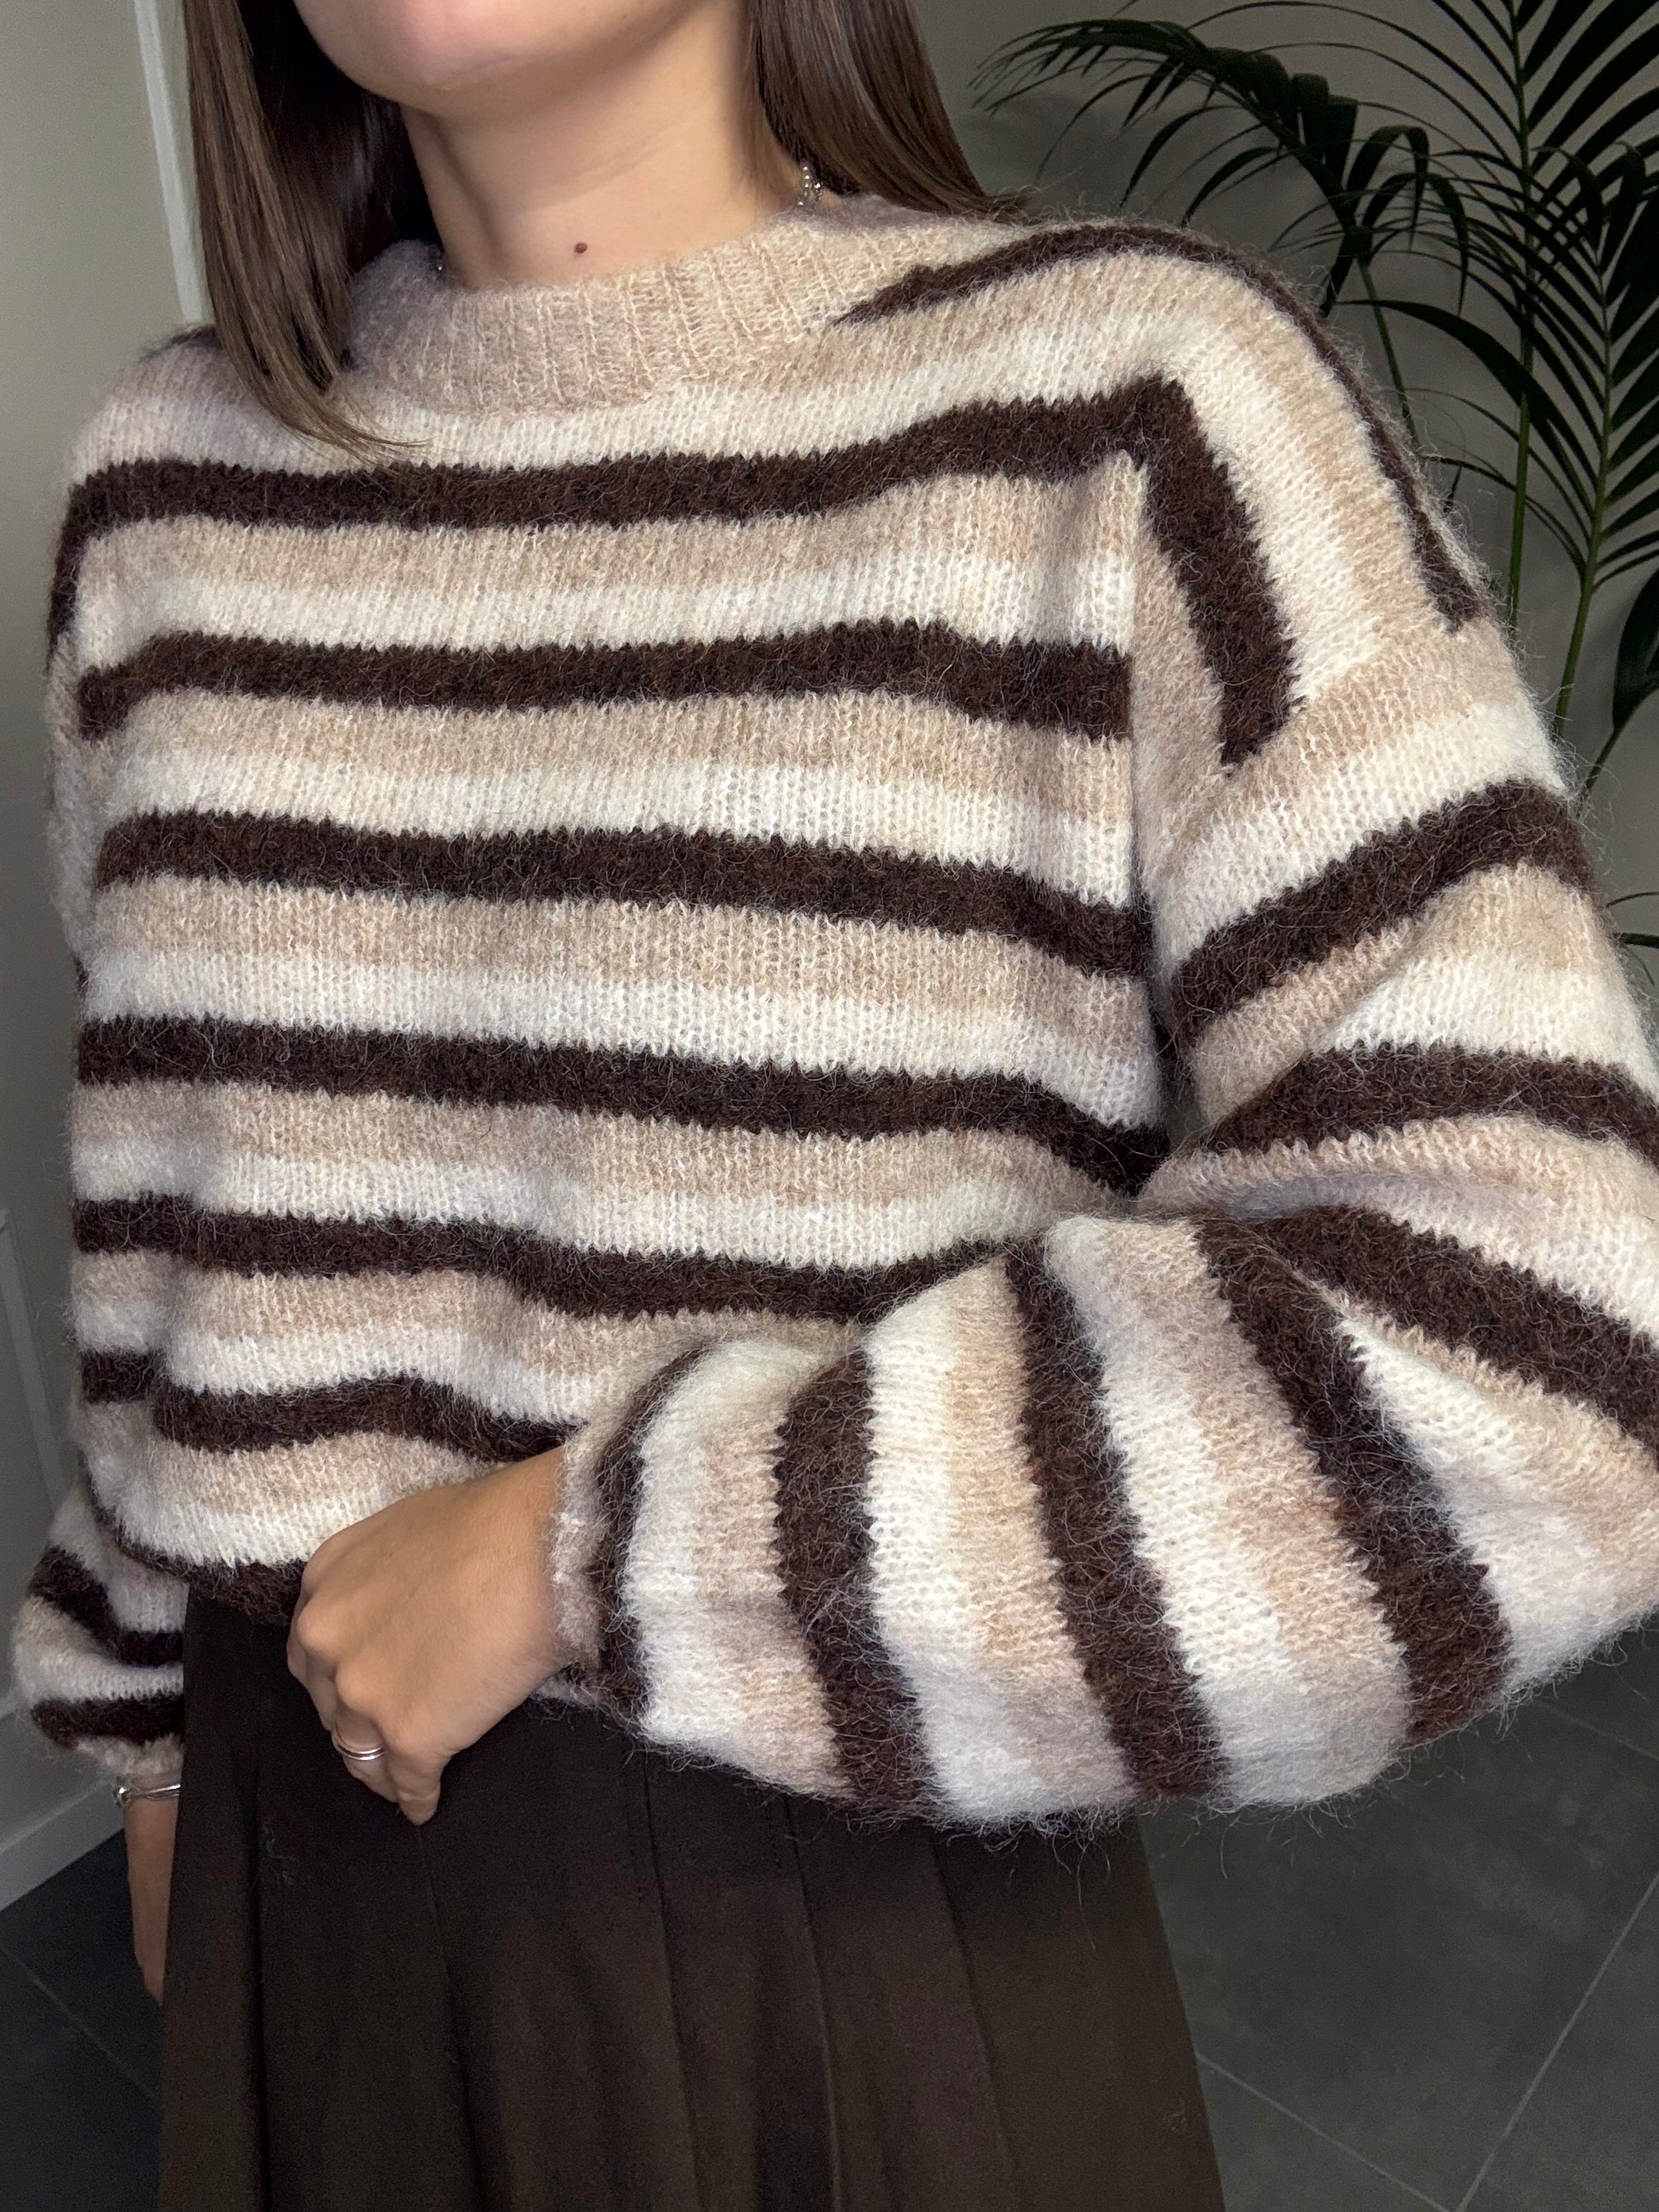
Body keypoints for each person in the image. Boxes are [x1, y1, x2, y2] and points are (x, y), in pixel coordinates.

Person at [11, 0, 1659, 2203]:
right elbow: (163, 1217)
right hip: (284, 1857)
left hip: (839, 1929)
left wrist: (597, 1555)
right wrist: (141, 1728)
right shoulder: (165, 484)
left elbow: (1538, 1362)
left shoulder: (1131, 411)